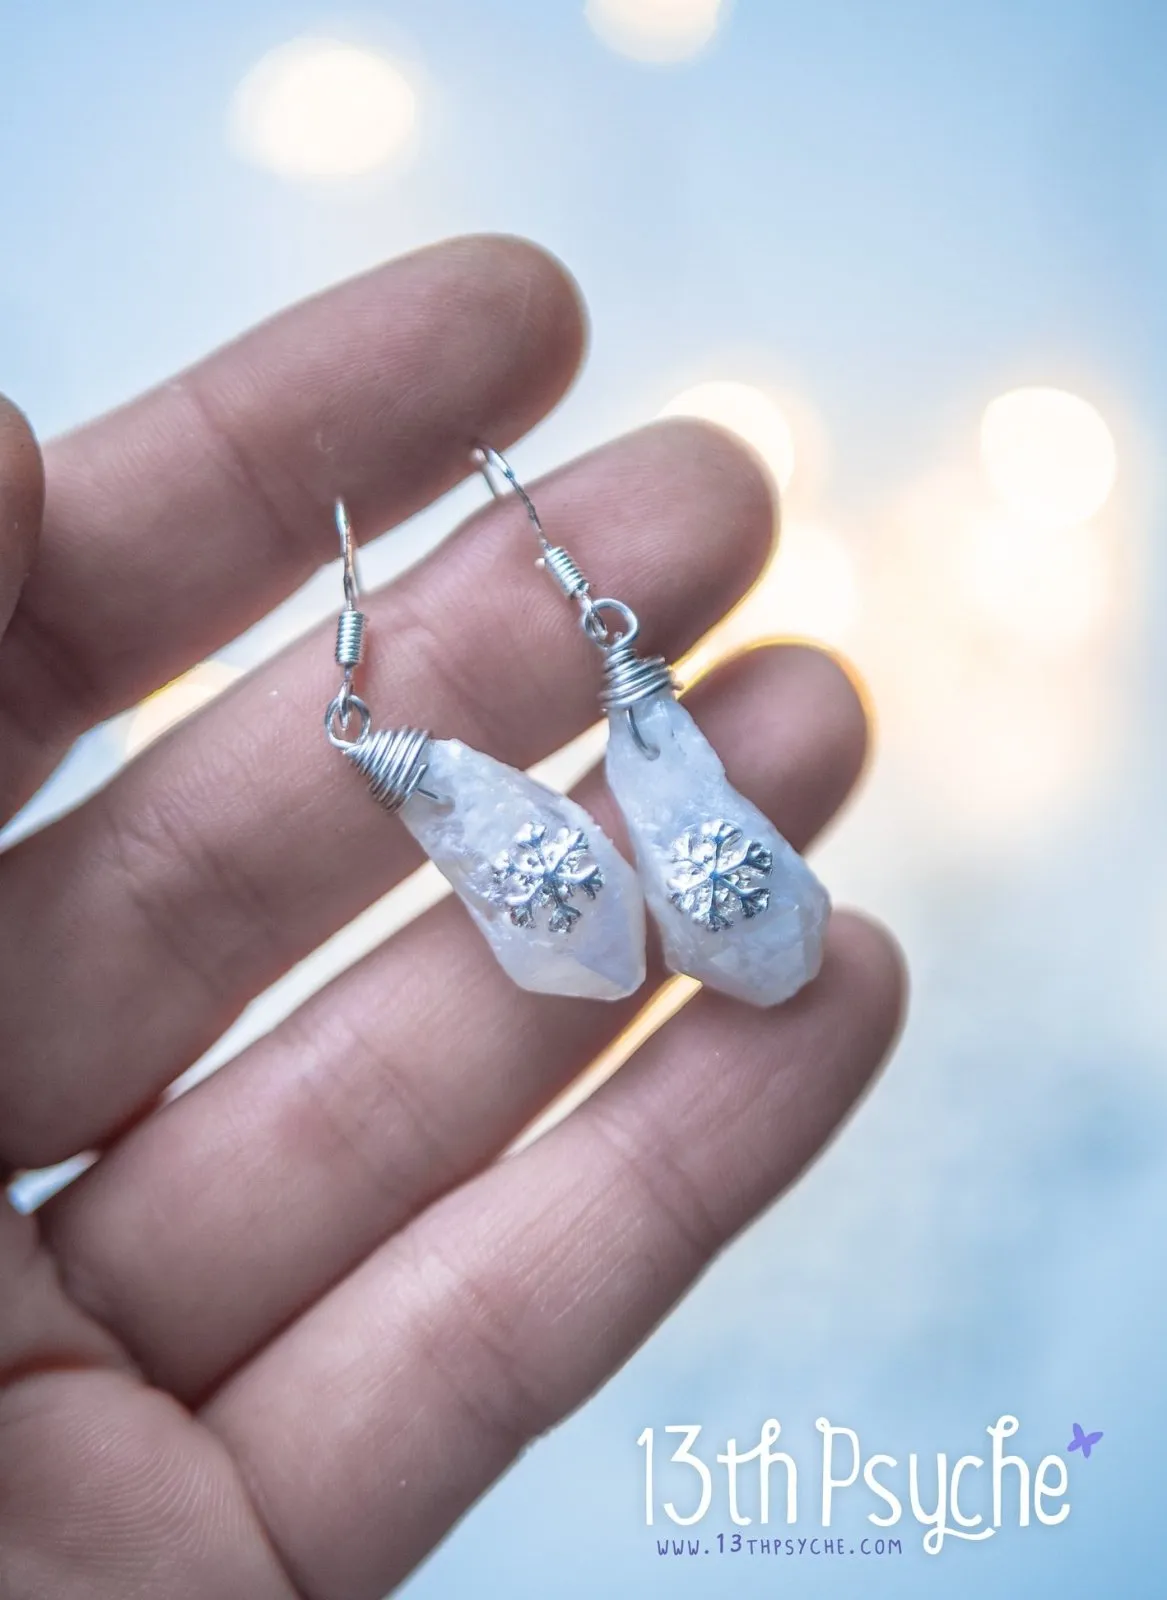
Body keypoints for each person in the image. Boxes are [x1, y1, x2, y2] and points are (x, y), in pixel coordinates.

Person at [0, 235, 903, 1599]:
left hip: (553, 776)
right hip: (483, 781)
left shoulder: (593, 769)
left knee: (658, 792)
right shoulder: (462, 787)